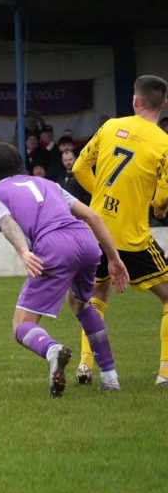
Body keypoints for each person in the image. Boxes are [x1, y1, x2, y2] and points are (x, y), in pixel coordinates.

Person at [0, 142, 129, 396]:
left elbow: (6, 222)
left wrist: (24, 251)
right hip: (87, 241)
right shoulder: (48, 184)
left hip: (55, 246)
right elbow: (92, 216)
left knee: (22, 325)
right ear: (19, 164)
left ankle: (53, 351)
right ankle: (110, 376)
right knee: (81, 304)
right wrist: (114, 258)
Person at [72, 74, 168, 387]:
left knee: (97, 296)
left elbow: (78, 168)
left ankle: (86, 364)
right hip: (132, 237)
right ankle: (165, 373)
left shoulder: (111, 126)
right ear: (163, 105)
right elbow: (163, 199)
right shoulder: (164, 144)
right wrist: (157, 206)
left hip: (96, 232)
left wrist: (101, 196)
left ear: (135, 101)